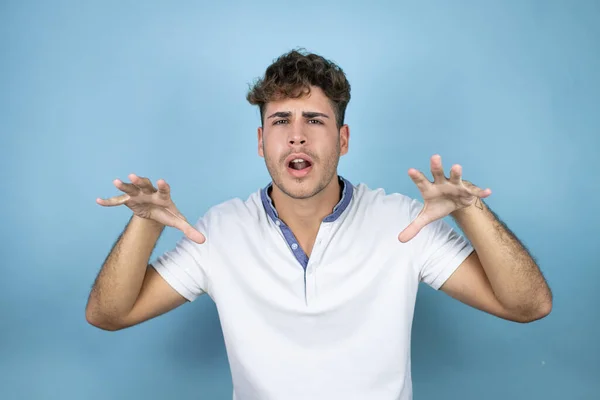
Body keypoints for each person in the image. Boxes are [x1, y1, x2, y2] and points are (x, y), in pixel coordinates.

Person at [86, 49, 552, 400]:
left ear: (343, 139)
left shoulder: (404, 223)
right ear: (261, 140)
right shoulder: (220, 231)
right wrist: (145, 225)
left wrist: (472, 210)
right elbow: (108, 315)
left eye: (314, 119)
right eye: (280, 121)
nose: (297, 134)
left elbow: (528, 306)